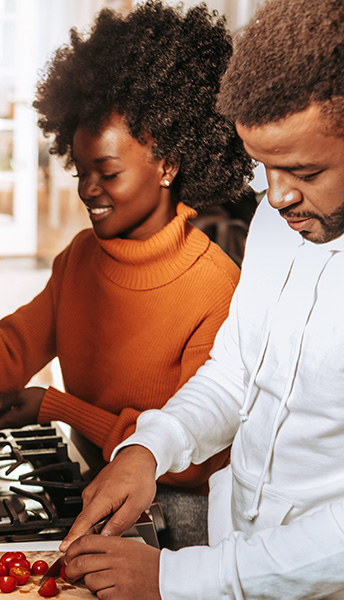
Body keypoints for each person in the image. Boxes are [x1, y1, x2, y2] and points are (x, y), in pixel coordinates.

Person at [0, 2, 252, 497]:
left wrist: (56, 406)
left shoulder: (216, 289)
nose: (87, 189)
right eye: (81, 171)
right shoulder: (82, 257)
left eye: (107, 173)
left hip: (176, 507)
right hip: (94, 473)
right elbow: (4, 359)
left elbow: (193, 463)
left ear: (167, 164)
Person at [59, 0, 344, 598]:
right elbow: (237, 370)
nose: (277, 196)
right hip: (231, 547)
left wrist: (185, 578)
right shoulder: (276, 221)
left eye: (304, 171)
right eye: (263, 167)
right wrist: (149, 447)